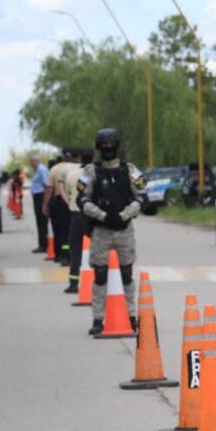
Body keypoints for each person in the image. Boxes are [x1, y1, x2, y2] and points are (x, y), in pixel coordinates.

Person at [79, 128, 142, 336]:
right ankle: (98, 319)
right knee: (100, 275)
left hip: (124, 230)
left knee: (126, 273)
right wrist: (103, 216)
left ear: (117, 145)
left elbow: (141, 197)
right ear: (99, 147)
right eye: (104, 145)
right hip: (101, 231)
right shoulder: (90, 172)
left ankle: (131, 316)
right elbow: (82, 200)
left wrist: (124, 215)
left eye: (111, 144)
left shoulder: (130, 170)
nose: (108, 148)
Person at [64, 148, 94, 293]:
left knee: (75, 250)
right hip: (94, 216)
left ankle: (74, 283)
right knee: (98, 249)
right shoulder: (96, 173)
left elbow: (68, 192)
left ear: (80, 158)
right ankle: (99, 281)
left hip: (77, 216)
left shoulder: (72, 175)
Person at [46, 151, 81, 266]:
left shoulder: (55, 169)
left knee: (60, 230)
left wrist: (45, 204)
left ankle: (61, 255)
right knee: (74, 230)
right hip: (76, 201)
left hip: (60, 201)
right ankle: (73, 255)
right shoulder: (81, 168)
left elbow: (50, 188)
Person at [28, 155, 49, 252]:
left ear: (36, 161)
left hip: (41, 196)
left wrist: (45, 201)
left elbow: (46, 184)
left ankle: (44, 245)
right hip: (37, 196)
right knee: (39, 221)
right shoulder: (37, 170)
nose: (30, 164)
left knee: (42, 221)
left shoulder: (41, 169)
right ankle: (42, 243)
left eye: (31, 161)